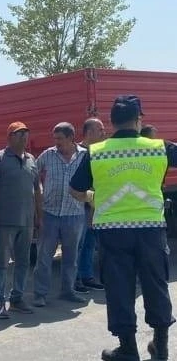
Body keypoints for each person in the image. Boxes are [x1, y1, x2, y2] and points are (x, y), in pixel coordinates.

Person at [70, 95, 176, 361]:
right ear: (139, 119)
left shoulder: (97, 151)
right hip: (151, 228)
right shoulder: (159, 147)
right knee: (155, 284)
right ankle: (161, 345)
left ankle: (128, 349)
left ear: (112, 122)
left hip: (113, 230)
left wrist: (95, 197)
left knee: (119, 287)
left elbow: (75, 189)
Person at [0, 121, 42, 319]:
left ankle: (17, 298)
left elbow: (37, 189)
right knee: (1, 263)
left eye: (26, 133)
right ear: (9, 137)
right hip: (5, 222)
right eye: (19, 134)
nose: (24, 137)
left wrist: (38, 217)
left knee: (23, 262)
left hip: (26, 222)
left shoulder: (31, 160)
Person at [32, 122, 86, 307]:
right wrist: (39, 192)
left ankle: (68, 291)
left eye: (60, 139)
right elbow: (33, 174)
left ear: (71, 138)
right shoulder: (48, 154)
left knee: (71, 256)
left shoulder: (84, 156)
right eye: (54, 139)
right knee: (44, 256)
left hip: (75, 214)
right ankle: (40, 294)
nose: (56, 143)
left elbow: (95, 179)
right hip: (50, 213)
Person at [75, 118, 106, 292]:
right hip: (81, 205)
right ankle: (77, 279)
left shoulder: (99, 152)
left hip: (95, 205)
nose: (103, 132)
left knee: (89, 243)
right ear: (89, 132)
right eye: (99, 129)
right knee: (79, 243)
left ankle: (87, 277)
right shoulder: (79, 153)